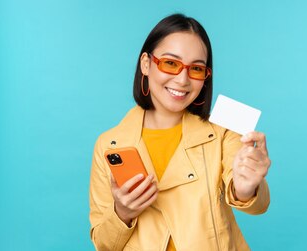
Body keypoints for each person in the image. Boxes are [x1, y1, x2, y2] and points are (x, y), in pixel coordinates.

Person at [88, 13, 271, 251]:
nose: (183, 79)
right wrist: (122, 213)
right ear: (146, 63)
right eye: (171, 63)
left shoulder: (225, 131)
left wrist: (246, 188)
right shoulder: (109, 144)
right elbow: (103, 244)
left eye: (196, 68)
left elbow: (257, 205)